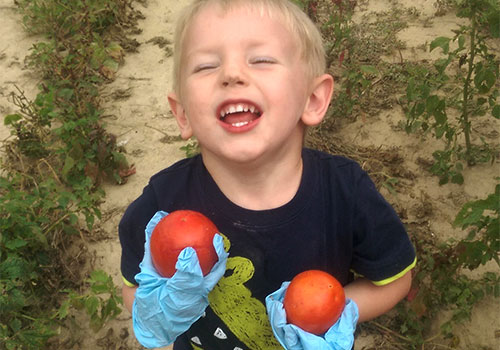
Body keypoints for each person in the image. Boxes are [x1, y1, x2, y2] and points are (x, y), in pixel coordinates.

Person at [118, 0, 416, 349]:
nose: (231, 74)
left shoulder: (346, 192)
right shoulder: (163, 201)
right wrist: (161, 308)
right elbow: (134, 287)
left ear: (313, 99)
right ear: (182, 113)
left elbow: (395, 280)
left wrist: (336, 312)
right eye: (206, 66)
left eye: (261, 60)